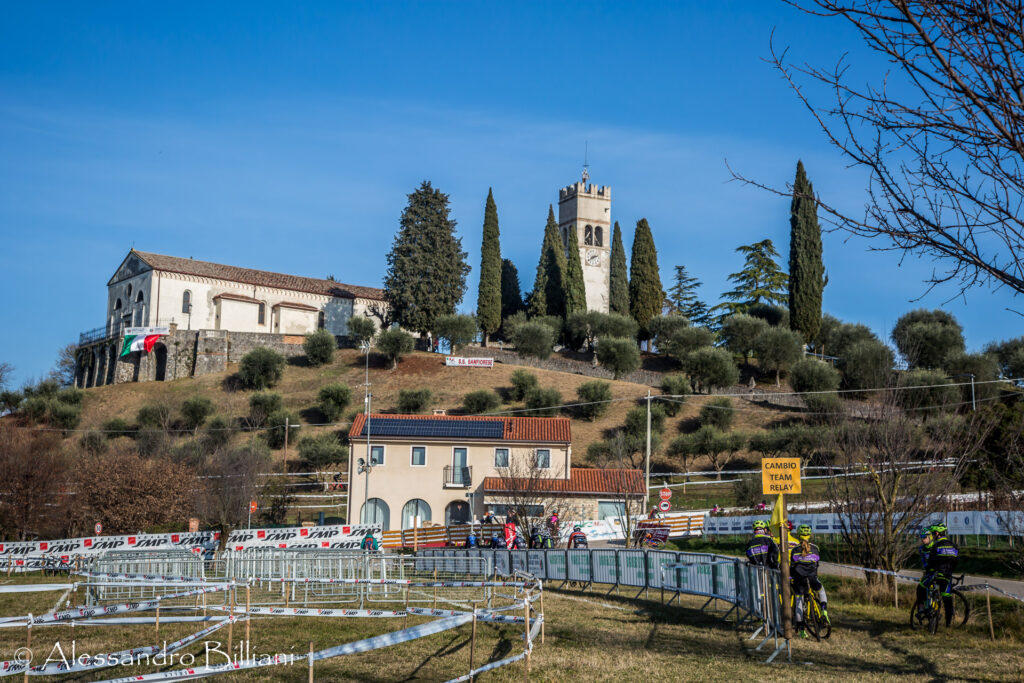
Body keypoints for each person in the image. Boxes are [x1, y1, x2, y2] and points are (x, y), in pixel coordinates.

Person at [917, 522, 959, 626]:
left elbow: (931, 563)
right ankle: (948, 625)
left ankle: (923, 608)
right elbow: (956, 562)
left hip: (936, 574)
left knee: (921, 587)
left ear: (936, 533)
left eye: (933, 534)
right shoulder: (954, 546)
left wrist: (930, 570)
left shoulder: (936, 546)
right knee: (947, 598)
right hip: (947, 576)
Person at [790, 524, 828, 637]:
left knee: (799, 602)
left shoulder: (795, 549)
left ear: (798, 534)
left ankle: (802, 630)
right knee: (821, 590)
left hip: (799, 579)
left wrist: (791, 578)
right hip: (812, 578)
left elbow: (792, 566)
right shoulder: (815, 548)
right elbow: (817, 565)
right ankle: (824, 610)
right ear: (810, 535)